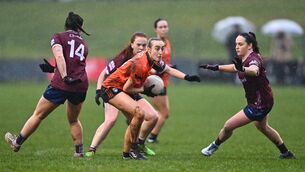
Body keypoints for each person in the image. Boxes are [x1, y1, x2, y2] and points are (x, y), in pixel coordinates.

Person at [96, 37, 200, 160]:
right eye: (157, 48)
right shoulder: (140, 64)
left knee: (148, 116)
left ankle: (129, 152)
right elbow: (127, 88)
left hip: (123, 88)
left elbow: (169, 69)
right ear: (149, 49)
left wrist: (187, 77)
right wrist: (146, 91)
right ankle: (134, 149)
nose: (161, 52)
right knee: (138, 114)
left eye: (162, 48)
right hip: (111, 88)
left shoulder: (153, 59)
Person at [4, 12, 90, 157]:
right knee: (74, 120)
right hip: (80, 85)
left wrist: (63, 76)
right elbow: (74, 64)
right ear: (80, 28)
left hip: (61, 84)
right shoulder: (83, 43)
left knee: (38, 115)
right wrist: (53, 68)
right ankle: (79, 152)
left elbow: (60, 56)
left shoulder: (58, 37)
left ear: (66, 25)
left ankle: (17, 142)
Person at [199, 32, 295, 159]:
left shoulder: (253, 59)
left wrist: (243, 69)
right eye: (236, 44)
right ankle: (285, 153)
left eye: (240, 44)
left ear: (249, 46)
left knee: (228, 125)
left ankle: (212, 147)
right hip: (263, 100)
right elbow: (235, 68)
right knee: (263, 127)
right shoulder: (246, 58)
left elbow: (254, 71)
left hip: (259, 104)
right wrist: (215, 67)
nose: (237, 47)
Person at [85, 32, 158, 157]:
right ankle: (92, 149)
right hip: (114, 89)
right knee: (111, 119)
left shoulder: (146, 57)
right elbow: (104, 72)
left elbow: (153, 69)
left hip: (129, 90)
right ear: (131, 44)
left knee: (152, 116)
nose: (141, 47)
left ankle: (138, 145)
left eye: (144, 45)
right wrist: (98, 90)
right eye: (138, 44)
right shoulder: (123, 57)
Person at [147, 18, 173, 143]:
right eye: (161, 27)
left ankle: (147, 132)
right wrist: (156, 71)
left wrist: (169, 67)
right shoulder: (153, 44)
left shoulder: (167, 42)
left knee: (163, 113)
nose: (164, 29)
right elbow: (148, 64)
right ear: (155, 29)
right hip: (156, 81)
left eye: (165, 26)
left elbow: (164, 63)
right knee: (164, 112)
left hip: (164, 82)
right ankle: (151, 137)